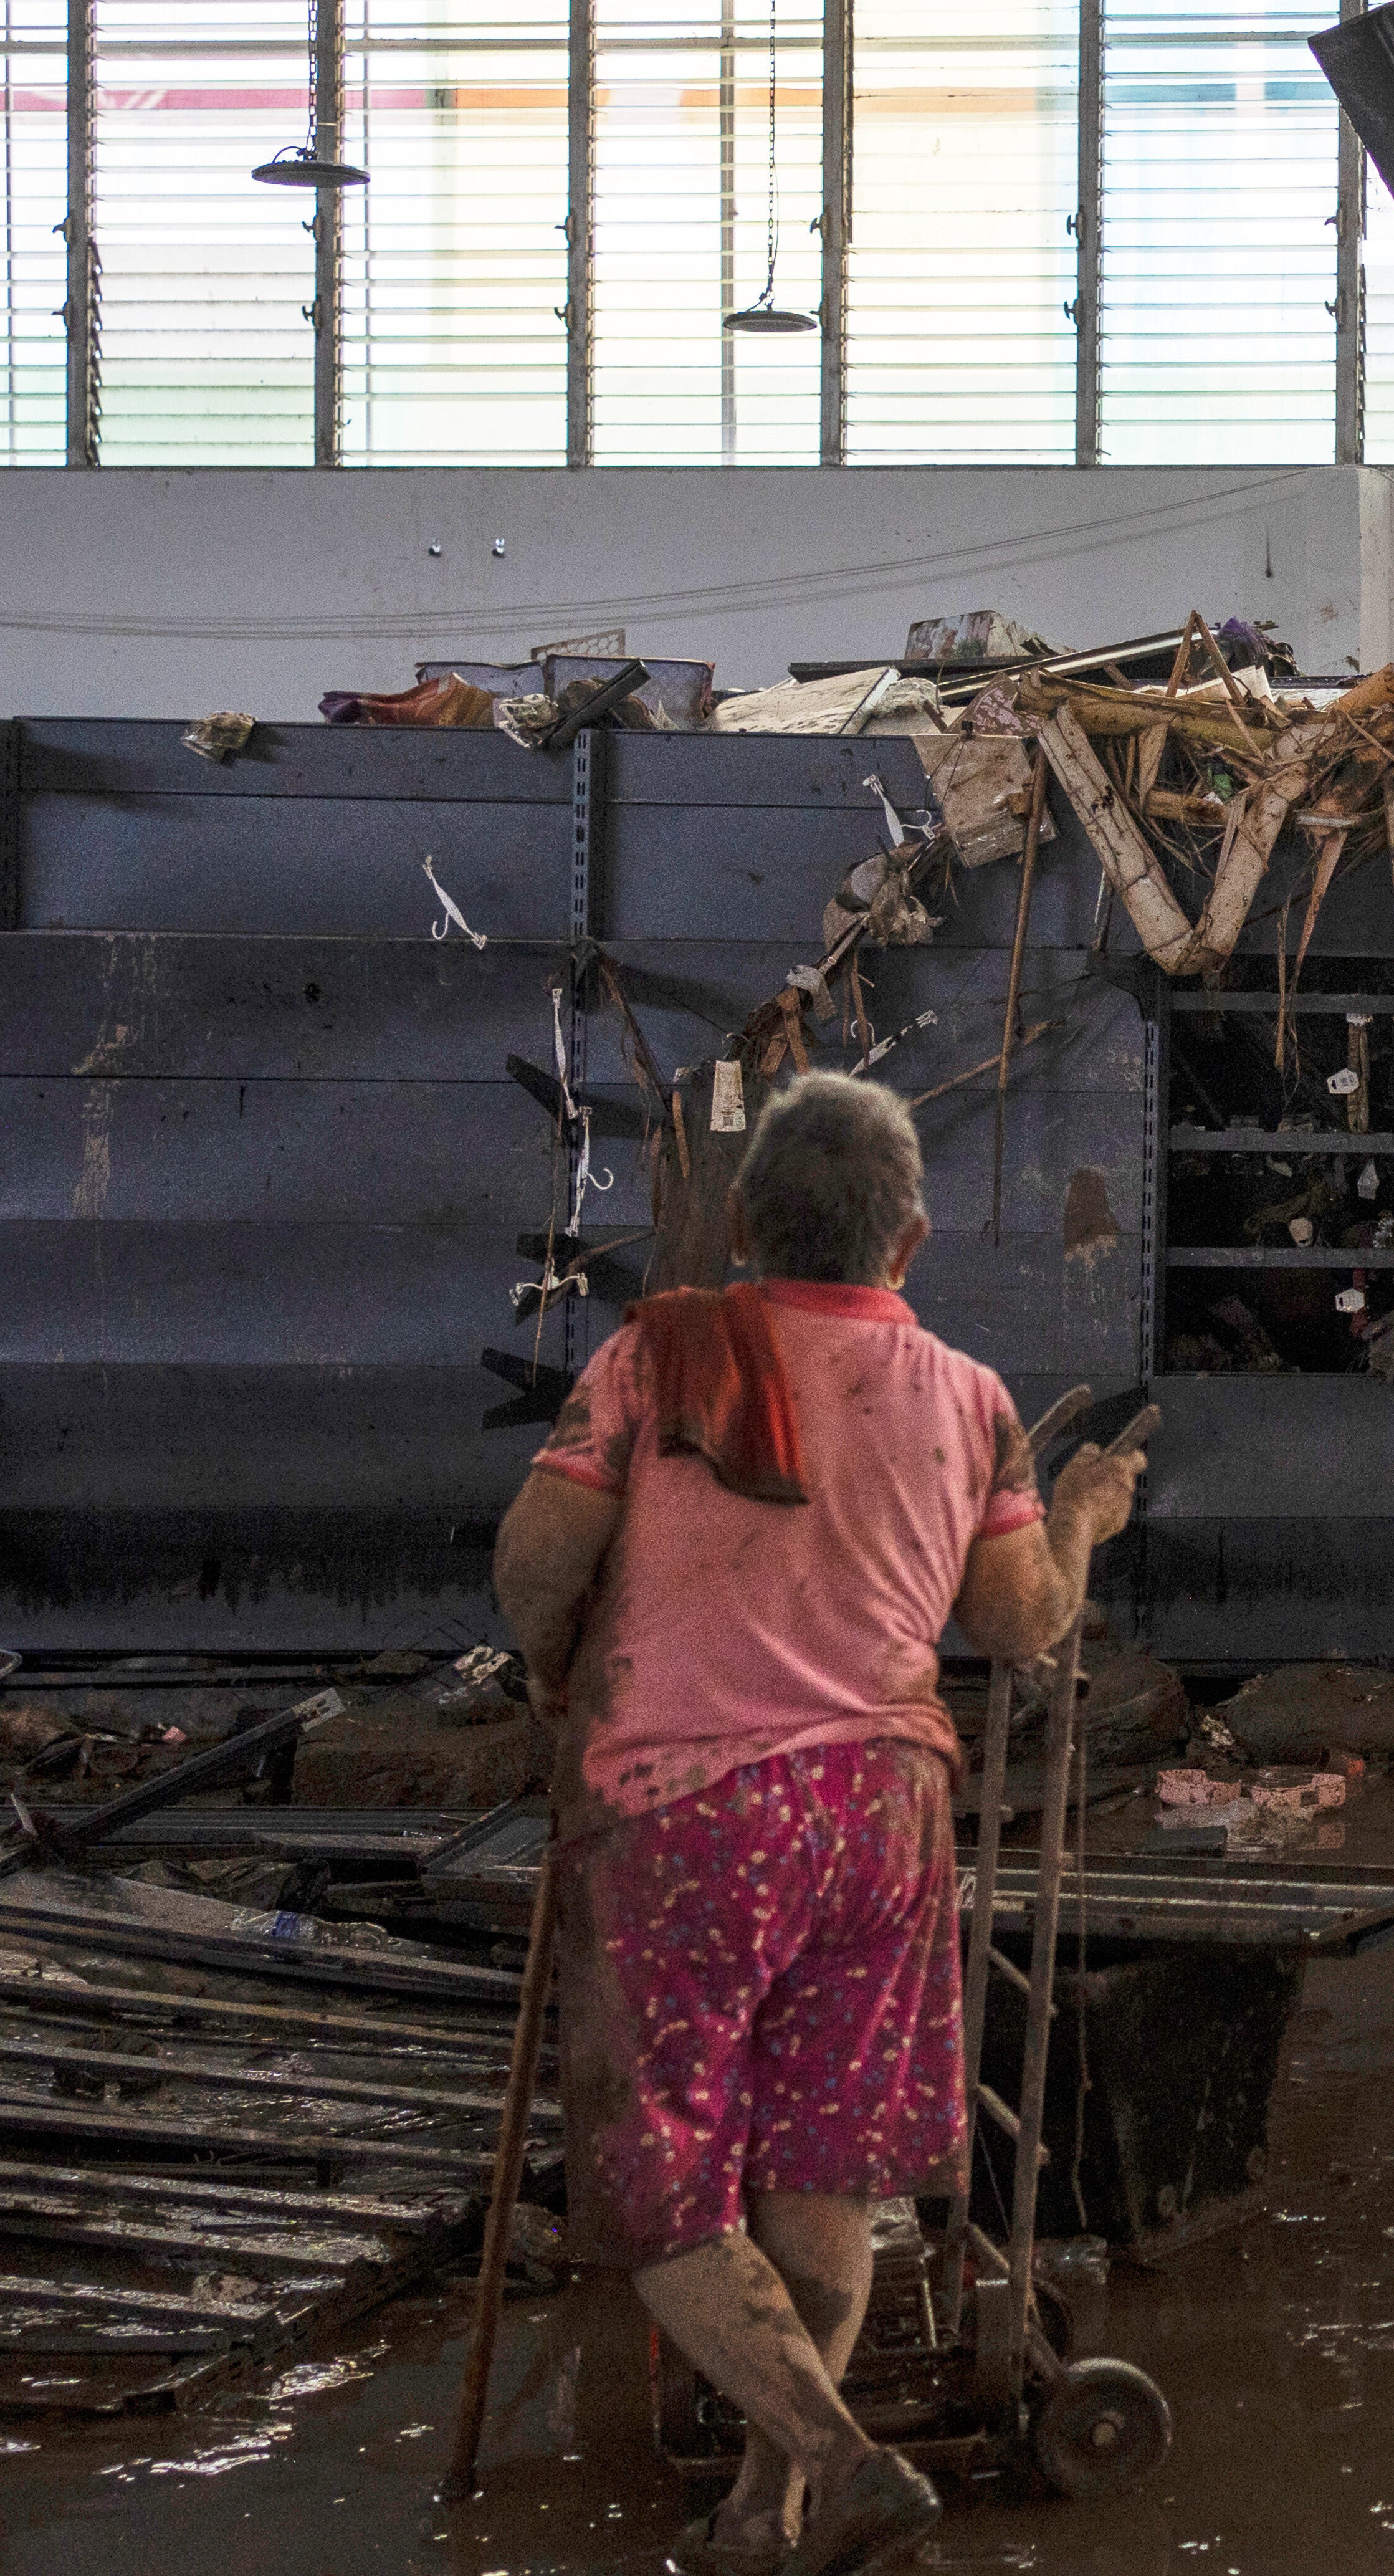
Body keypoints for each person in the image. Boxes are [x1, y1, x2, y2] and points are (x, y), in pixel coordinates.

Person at [490, 1075, 1153, 2576]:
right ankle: (762, 2516)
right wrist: (1086, 1516)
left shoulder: (658, 1359)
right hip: (881, 1817)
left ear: (740, 1221)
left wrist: (553, 1676)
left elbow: (535, 1566)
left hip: (679, 1814)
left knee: (662, 2181)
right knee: (823, 2169)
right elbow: (1019, 1624)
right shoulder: (976, 1402)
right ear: (907, 1242)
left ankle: (840, 2461)